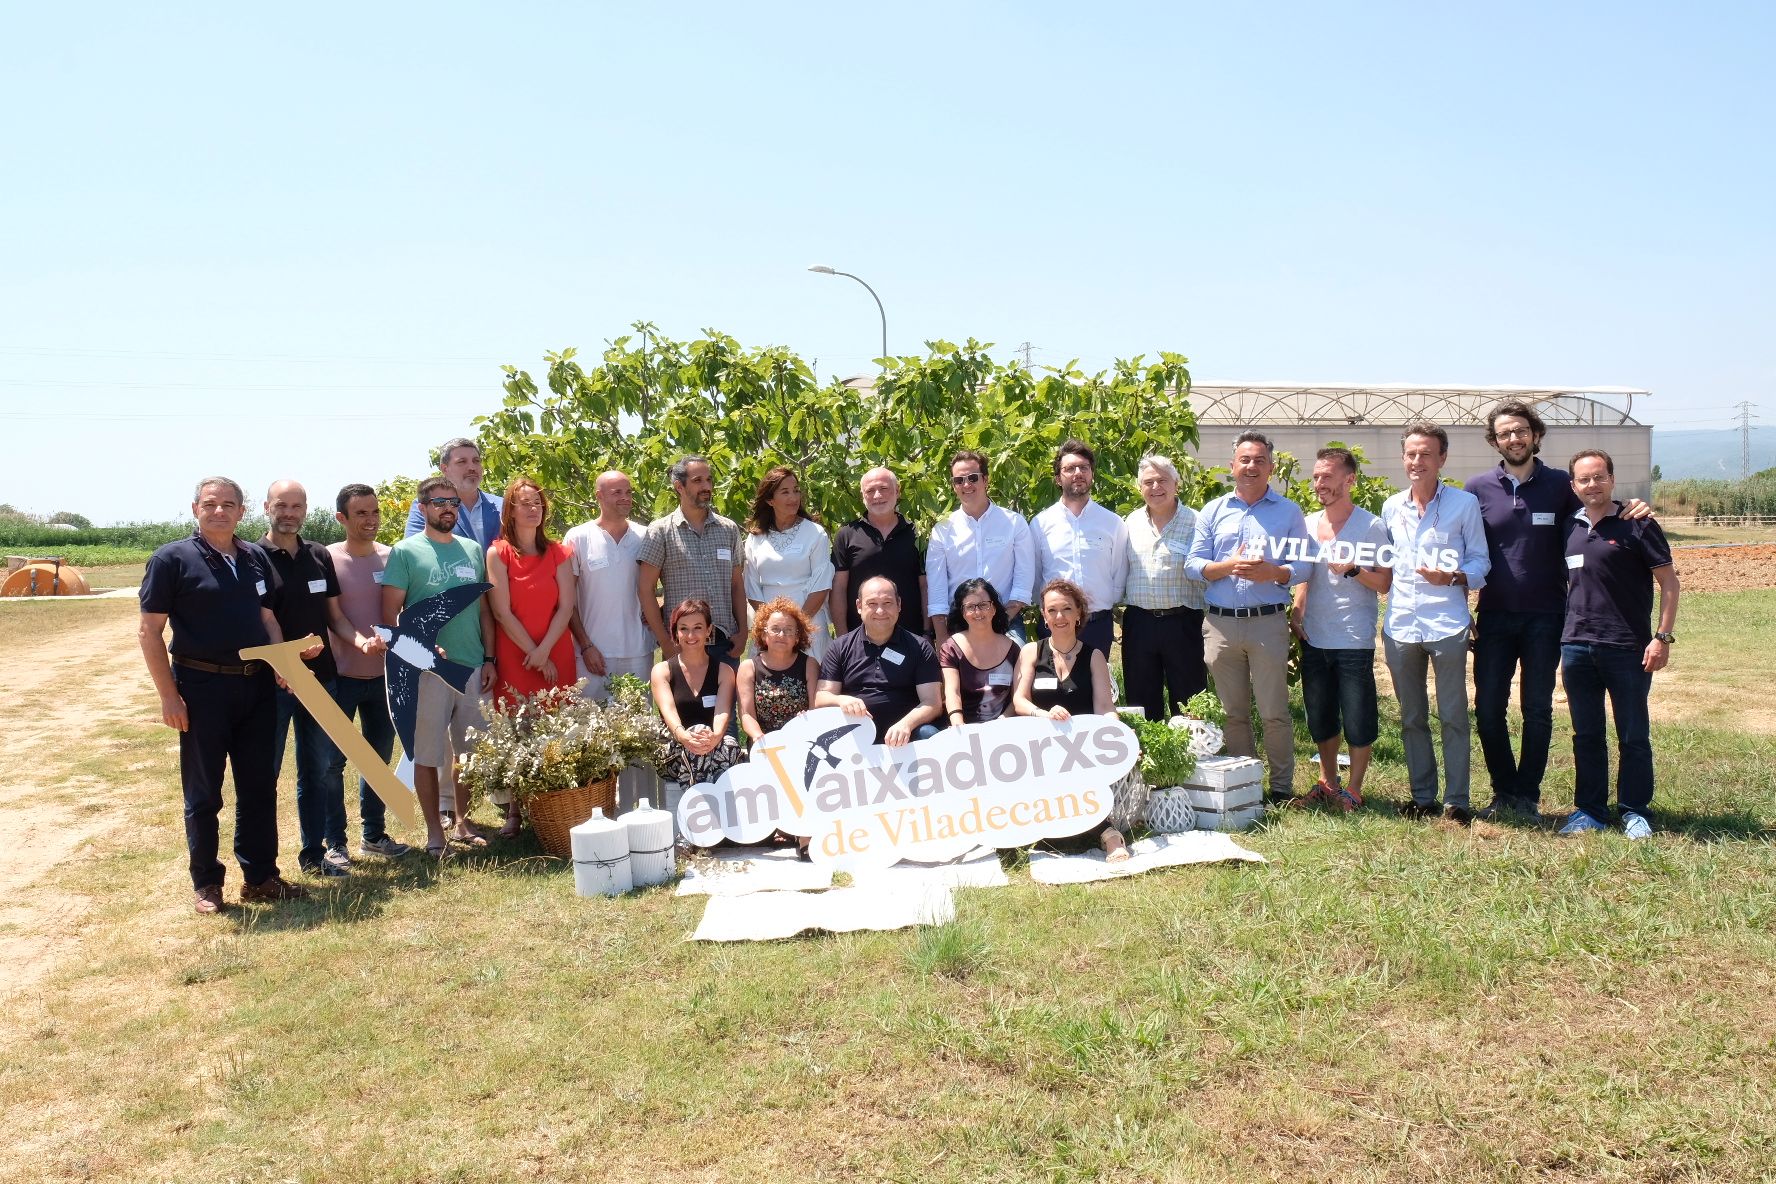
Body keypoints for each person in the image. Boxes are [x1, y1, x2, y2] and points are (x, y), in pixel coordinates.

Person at [1465, 401, 1653, 822]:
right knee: (1489, 708)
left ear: (1535, 434)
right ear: (1494, 441)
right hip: (1494, 615)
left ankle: (1527, 794)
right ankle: (1503, 789)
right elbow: (1463, 550)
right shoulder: (1476, 488)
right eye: (1504, 433)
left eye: (1520, 431)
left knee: (1537, 708)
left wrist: (1631, 506)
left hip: (1549, 616)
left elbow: (1596, 509)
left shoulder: (1559, 485)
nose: (1514, 439)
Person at [138, 476, 309, 913]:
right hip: (201, 689)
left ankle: (261, 877)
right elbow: (150, 632)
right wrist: (169, 697)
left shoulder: (253, 557)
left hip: (255, 687)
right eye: (210, 504)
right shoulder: (171, 559)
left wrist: (282, 661)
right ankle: (208, 883)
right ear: (195, 508)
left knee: (258, 787)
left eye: (229, 504)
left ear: (241, 511)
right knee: (204, 793)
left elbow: (266, 617)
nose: (220, 511)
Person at [1557, 450, 1680, 840]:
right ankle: (1590, 810)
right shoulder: (1569, 527)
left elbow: (1670, 584)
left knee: (1633, 734)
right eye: (1583, 479)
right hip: (1576, 646)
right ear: (1573, 485)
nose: (1591, 485)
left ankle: (1634, 811)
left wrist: (1661, 637)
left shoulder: (1637, 524)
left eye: (1598, 477)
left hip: (1627, 646)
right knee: (1587, 733)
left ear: (1611, 479)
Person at [1184, 431, 1311, 802]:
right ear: (1232, 466)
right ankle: (1247, 785)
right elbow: (1193, 564)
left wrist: (1274, 573)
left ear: (1271, 467)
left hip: (1267, 623)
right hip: (1221, 624)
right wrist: (1227, 567)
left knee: (1274, 712)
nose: (1251, 466)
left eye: (1259, 460)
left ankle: (1282, 788)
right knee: (1232, 712)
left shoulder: (1288, 512)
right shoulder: (1213, 511)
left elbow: (1303, 565)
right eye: (1245, 460)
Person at [1381, 423, 1491, 823]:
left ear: (1442, 459)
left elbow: (1481, 561)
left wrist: (1455, 577)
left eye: (1426, 454)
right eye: (1411, 453)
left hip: (1446, 623)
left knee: (1452, 714)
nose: (1417, 461)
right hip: (1401, 624)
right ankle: (1423, 796)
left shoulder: (1463, 505)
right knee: (1411, 715)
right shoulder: (1392, 507)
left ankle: (1457, 801)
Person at [382, 476, 498, 857]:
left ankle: (463, 821)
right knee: (427, 754)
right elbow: (390, 617)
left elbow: (484, 612)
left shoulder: (471, 550)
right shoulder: (405, 552)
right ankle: (435, 833)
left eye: (452, 502)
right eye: (438, 502)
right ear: (422, 508)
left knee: (469, 753)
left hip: (471, 669)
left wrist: (489, 659)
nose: (447, 508)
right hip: (426, 673)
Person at [261, 479, 361, 877]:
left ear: (305, 509)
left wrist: (361, 640)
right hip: (274, 685)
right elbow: (257, 619)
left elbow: (334, 617)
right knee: (263, 774)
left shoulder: (318, 555)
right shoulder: (253, 557)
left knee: (316, 771)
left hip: (321, 681)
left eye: (297, 506)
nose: (289, 513)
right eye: (281, 505)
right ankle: (262, 865)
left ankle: (313, 854)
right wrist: (282, 662)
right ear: (267, 506)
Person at [1289, 448, 1392, 811]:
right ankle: (1327, 782)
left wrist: (1353, 570)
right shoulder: (1305, 523)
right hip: (1314, 634)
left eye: (1328, 476)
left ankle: (1354, 788)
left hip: (1352, 636)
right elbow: (1306, 577)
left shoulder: (1371, 526)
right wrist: (1297, 612)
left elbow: (1384, 583)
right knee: (1319, 712)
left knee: (1358, 712)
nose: (1319, 483)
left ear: (1350, 480)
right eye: (1316, 476)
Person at [325, 483, 410, 860]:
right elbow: (334, 616)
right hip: (339, 677)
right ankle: (334, 844)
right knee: (331, 763)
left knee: (377, 758)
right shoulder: (325, 560)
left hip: (383, 677)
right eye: (361, 513)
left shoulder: (393, 558)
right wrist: (360, 641)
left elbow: (402, 612)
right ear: (342, 518)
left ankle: (374, 835)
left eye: (374, 512)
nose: (370, 520)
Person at [1011, 578, 1122, 854]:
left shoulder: (1094, 656)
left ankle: (1107, 832)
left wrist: (1118, 732)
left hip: (1080, 749)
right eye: (1052, 610)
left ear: (1078, 614)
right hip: (1039, 748)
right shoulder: (1030, 652)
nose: (1059, 616)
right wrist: (1043, 714)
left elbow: (1105, 708)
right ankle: (1101, 830)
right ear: (1044, 616)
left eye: (1066, 609)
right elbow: (1019, 701)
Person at [1120, 453, 1209, 721]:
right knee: (1141, 698)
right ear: (1139, 488)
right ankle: (1150, 757)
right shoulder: (1129, 523)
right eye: (1149, 482)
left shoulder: (1198, 522)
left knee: (1190, 698)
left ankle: (1192, 756)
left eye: (1162, 480)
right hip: (1139, 622)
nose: (1156, 487)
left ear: (1176, 484)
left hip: (1183, 622)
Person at [638, 456, 748, 663]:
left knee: (726, 696)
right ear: (679, 486)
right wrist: (665, 641)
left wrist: (743, 632)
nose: (706, 486)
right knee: (681, 697)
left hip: (725, 643)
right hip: (681, 644)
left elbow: (736, 586)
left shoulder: (728, 529)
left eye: (709, 480)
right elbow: (645, 589)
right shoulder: (660, 531)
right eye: (698, 481)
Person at [817, 575, 943, 746]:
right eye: (872, 603)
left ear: (899, 605)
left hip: (906, 736)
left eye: (887, 603)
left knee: (930, 734)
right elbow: (821, 698)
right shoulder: (839, 647)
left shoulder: (920, 647)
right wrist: (842, 700)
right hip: (855, 736)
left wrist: (906, 725)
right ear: (859, 606)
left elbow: (932, 703)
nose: (880, 611)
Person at [1031, 439, 1128, 656]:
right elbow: (1036, 575)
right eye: (1069, 468)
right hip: (1054, 625)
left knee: (1098, 687)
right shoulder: (1040, 524)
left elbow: (1118, 574)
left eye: (1084, 468)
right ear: (1058, 478)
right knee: (1053, 687)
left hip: (1097, 625)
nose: (1078, 473)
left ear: (1092, 474)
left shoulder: (1112, 523)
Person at [926, 450, 1034, 646]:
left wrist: (998, 623)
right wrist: (942, 638)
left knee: (1017, 669)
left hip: (1006, 620)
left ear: (985, 480)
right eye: (959, 480)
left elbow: (1022, 585)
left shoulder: (1014, 523)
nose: (966, 485)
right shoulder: (942, 529)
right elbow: (937, 590)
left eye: (973, 478)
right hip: (959, 621)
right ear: (953, 485)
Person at [564, 470, 653, 701]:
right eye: (617, 492)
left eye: (628, 492)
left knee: (640, 728)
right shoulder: (578, 537)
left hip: (638, 652)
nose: (625, 497)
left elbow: (665, 583)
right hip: (592, 655)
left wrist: (660, 614)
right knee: (590, 728)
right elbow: (567, 600)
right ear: (599, 496)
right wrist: (585, 646)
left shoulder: (646, 536)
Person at [742, 466, 835, 660]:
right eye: (785, 492)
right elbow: (751, 585)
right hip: (770, 627)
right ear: (769, 500)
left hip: (808, 623)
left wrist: (797, 627)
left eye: (796, 490)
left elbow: (821, 583)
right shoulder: (755, 538)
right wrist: (771, 626)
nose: (793, 497)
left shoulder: (815, 533)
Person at [650, 599, 742, 785]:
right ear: (676, 632)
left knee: (730, 747)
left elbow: (723, 712)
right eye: (684, 628)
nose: (690, 635)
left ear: (709, 630)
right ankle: (702, 808)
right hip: (675, 747)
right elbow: (669, 713)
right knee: (697, 747)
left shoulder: (724, 671)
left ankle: (697, 806)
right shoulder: (662, 671)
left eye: (698, 627)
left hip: (713, 743)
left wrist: (715, 736)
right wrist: (685, 737)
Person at [830, 466, 925, 637]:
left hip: (911, 638)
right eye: (870, 490)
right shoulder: (846, 535)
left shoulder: (917, 534)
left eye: (883, 489)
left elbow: (924, 586)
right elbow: (839, 588)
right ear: (862, 495)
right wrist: (843, 638)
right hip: (859, 641)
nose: (877, 496)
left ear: (897, 491)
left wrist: (927, 632)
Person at [736, 597, 819, 743]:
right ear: (763, 634)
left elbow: (815, 709)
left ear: (797, 637)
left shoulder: (810, 665)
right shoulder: (748, 667)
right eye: (775, 629)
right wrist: (759, 737)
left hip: (801, 740)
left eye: (788, 630)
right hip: (763, 743)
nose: (781, 635)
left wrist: (808, 720)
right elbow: (746, 714)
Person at [939, 578, 1019, 727]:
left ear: (994, 608)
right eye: (970, 607)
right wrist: (958, 725)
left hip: (1004, 727)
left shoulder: (1013, 649)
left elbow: (1018, 697)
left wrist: (1002, 723)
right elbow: (952, 692)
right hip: (963, 728)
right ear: (962, 612)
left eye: (983, 605)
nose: (977, 612)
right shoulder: (951, 648)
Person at [403, 436, 503, 546]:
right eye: (462, 462)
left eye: (476, 461)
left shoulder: (503, 505)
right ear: (445, 469)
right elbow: (414, 548)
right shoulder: (428, 505)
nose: (472, 467)